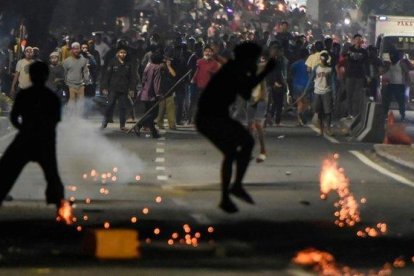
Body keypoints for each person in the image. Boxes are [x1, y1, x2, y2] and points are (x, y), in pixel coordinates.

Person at [196, 42, 275, 213]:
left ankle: (233, 189)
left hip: (217, 116)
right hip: (209, 117)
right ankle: (231, 190)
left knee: (244, 143)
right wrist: (265, 71)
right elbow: (246, 90)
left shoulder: (236, 68)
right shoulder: (233, 69)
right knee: (234, 149)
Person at [0, 61, 73, 224]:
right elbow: (55, 121)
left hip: (26, 138)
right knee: (52, 175)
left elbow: (14, 117)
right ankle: (61, 208)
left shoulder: (24, 95)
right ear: (46, 76)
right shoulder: (51, 97)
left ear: (31, 76)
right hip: (44, 140)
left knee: (6, 168)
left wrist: (24, 128)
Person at [101, 47, 136, 131]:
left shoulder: (129, 63)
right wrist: (104, 87)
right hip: (113, 88)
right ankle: (104, 122)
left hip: (124, 88)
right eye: (121, 52)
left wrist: (132, 89)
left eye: (124, 52)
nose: (123, 54)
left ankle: (122, 125)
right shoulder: (112, 62)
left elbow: (132, 77)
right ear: (117, 53)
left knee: (122, 107)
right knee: (110, 105)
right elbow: (107, 75)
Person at [304, 51, 336, 136]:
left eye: (324, 59)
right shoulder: (316, 68)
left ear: (327, 59)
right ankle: (321, 130)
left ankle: (328, 128)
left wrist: (334, 94)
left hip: (327, 91)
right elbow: (311, 79)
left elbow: (333, 82)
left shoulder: (330, 69)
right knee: (319, 112)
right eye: (321, 59)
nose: (322, 61)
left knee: (328, 112)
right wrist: (306, 90)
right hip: (317, 92)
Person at [247, 53, 269, 163]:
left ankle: (263, 151)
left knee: (257, 124)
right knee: (250, 126)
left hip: (261, 100)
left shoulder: (259, 69)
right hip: (251, 101)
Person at [382, 49, 414, 122]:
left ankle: (402, 116)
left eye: (392, 55)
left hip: (400, 85)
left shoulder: (401, 63)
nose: (391, 57)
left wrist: (409, 82)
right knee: (387, 101)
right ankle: (385, 115)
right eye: (390, 55)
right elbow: (384, 71)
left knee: (401, 101)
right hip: (390, 84)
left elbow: (407, 72)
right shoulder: (389, 64)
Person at [63, 42, 91, 117]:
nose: (76, 50)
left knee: (81, 103)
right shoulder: (66, 61)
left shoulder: (84, 60)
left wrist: (87, 81)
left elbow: (85, 72)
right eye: (74, 49)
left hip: (81, 85)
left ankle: (79, 119)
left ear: (80, 49)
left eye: (77, 48)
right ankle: (70, 118)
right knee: (71, 102)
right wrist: (65, 84)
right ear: (72, 50)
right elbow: (64, 73)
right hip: (70, 85)